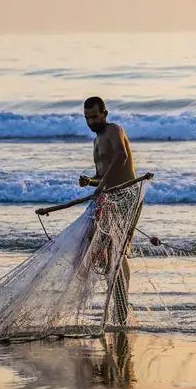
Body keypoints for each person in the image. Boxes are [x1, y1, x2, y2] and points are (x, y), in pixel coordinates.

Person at [79, 96, 136, 323]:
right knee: (101, 250)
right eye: (87, 118)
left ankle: (122, 306)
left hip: (126, 196)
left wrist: (100, 186)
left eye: (94, 116)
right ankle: (116, 301)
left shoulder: (114, 130)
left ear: (105, 113)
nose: (91, 122)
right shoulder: (96, 141)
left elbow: (121, 157)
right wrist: (91, 182)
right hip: (108, 197)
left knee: (118, 250)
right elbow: (102, 177)